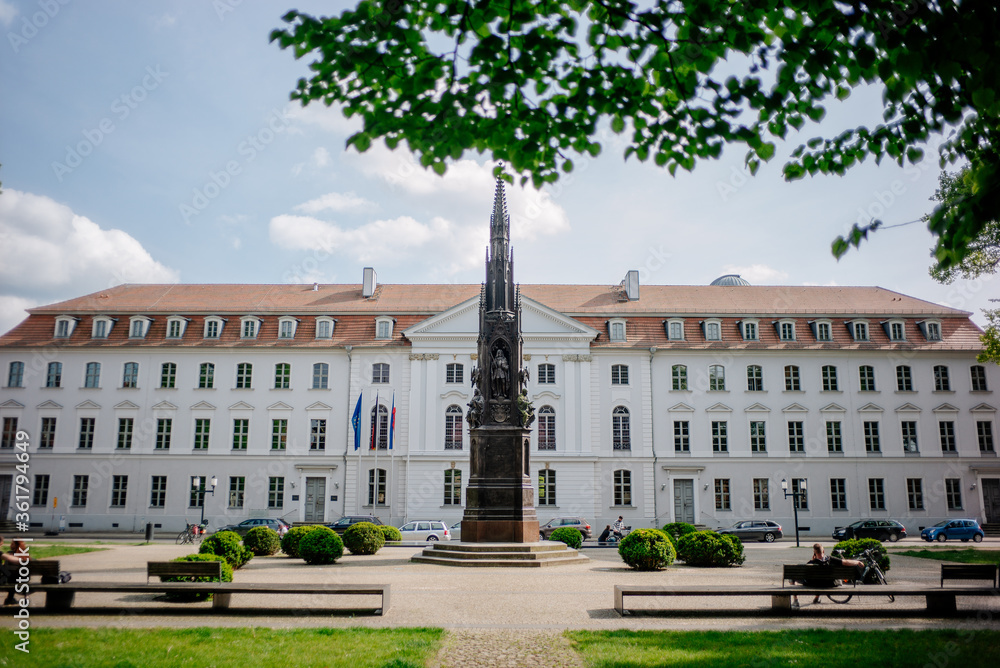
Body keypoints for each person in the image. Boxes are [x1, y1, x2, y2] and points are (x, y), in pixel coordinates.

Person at [792, 543, 864, 608]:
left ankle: (796, 600)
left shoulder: (812, 563)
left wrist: (813, 560)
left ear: (814, 552)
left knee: (793, 578)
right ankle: (817, 598)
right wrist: (857, 562)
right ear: (823, 551)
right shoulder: (830, 559)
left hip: (814, 584)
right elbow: (845, 562)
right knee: (821, 578)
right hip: (830, 584)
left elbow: (805, 575)